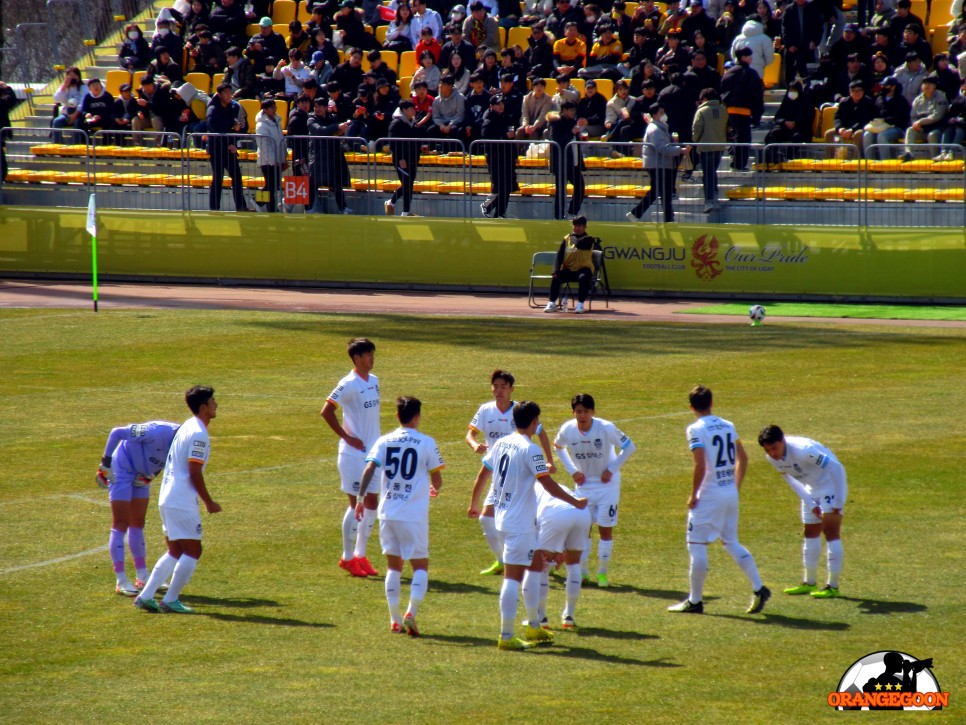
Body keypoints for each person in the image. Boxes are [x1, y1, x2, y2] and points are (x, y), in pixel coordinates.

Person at [468, 401, 587, 651]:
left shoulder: (501, 442)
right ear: (534, 422)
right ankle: (507, 635)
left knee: (535, 564)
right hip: (519, 523)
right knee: (512, 577)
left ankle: (533, 624)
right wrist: (575, 501)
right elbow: (548, 485)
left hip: (503, 517)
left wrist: (475, 502)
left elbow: (483, 474)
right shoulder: (530, 449)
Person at [668, 385, 770, 615]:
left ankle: (695, 601)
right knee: (731, 542)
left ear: (691, 407)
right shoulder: (728, 425)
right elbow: (743, 458)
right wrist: (735, 486)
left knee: (696, 544)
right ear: (712, 403)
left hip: (710, 495)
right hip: (729, 493)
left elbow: (700, 464)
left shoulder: (695, 429)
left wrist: (694, 494)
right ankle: (759, 587)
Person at [355, 396, 444, 636]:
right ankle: (411, 613)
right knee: (420, 566)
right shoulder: (427, 442)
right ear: (417, 417)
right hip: (413, 516)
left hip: (387, 513)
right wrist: (434, 486)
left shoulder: (383, 441)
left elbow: (369, 468)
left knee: (393, 567)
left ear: (397, 416)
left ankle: (394, 619)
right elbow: (437, 479)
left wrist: (361, 500)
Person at [134, 386, 221, 614]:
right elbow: (194, 471)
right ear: (203, 407)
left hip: (167, 496)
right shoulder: (199, 434)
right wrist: (208, 501)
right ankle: (170, 599)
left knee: (175, 550)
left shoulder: (187, 426)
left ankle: (146, 595)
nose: (216, 405)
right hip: (181, 500)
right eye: (213, 402)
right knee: (193, 550)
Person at [466, 370, 556, 575]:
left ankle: (540, 557)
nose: (498, 391)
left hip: (522, 475)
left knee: (531, 519)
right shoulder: (485, 410)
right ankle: (503, 560)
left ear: (511, 389)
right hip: (499, 476)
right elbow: (470, 433)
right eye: (495, 386)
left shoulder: (520, 410)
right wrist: (473, 444)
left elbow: (541, 433)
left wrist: (549, 461)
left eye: (503, 387)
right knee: (486, 518)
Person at [552, 394, 635, 589]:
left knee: (605, 529)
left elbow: (629, 446)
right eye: (579, 412)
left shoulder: (605, 427)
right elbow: (558, 447)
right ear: (573, 413)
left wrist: (611, 469)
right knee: (583, 529)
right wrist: (573, 471)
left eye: (586, 412)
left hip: (608, 486)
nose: (583, 416)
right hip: (584, 486)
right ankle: (583, 574)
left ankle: (603, 574)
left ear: (593, 412)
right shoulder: (567, 430)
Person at [758, 425, 847, 599]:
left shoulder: (804, 451)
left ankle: (832, 586)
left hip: (830, 485)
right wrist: (809, 502)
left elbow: (837, 468)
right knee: (810, 532)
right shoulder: (772, 458)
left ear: (782, 440)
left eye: (774, 448)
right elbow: (789, 479)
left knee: (831, 533)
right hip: (810, 488)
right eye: (768, 450)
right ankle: (809, 582)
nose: (772, 453)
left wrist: (839, 500)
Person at [320, 338, 382, 579]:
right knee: (355, 505)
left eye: (373, 354)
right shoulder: (348, 384)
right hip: (353, 455)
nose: (372, 359)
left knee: (372, 504)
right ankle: (347, 558)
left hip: (373, 454)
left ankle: (361, 554)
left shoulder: (374, 382)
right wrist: (346, 436)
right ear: (356, 359)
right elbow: (326, 410)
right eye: (368, 355)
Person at [96, 420, 181, 595]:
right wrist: (105, 463)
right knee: (121, 522)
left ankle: (142, 577)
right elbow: (117, 431)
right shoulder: (155, 431)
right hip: (121, 468)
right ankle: (121, 580)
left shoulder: (182, 445)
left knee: (137, 523)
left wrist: (151, 476)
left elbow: (166, 463)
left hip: (142, 474)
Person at [533, 476, 593, 629]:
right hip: (583, 513)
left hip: (556, 514)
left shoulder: (526, 489)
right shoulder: (558, 485)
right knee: (574, 565)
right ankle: (569, 616)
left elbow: (532, 526)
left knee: (542, 567)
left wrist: (554, 552)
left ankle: (541, 618)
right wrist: (562, 550)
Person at [626, 101, 687, 222]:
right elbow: (662, 148)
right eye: (661, 112)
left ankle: (637, 214)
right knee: (664, 192)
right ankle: (667, 219)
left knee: (659, 192)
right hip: (658, 165)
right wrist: (680, 150)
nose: (664, 114)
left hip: (659, 164)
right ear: (654, 115)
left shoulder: (659, 128)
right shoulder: (655, 130)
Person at [307, 97, 354, 213]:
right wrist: (337, 127)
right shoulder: (311, 120)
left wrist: (341, 130)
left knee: (337, 184)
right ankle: (308, 208)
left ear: (325, 108)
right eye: (315, 106)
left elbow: (335, 132)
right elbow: (320, 130)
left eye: (320, 106)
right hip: (318, 155)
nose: (317, 109)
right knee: (313, 184)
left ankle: (342, 208)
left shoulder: (332, 118)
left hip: (332, 155)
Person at [720, 46, 763, 171]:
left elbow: (723, 90)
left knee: (737, 136)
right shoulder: (751, 73)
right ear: (744, 57)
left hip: (729, 110)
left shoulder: (729, 73)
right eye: (749, 56)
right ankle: (739, 164)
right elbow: (757, 95)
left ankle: (735, 161)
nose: (751, 58)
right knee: (744, 138)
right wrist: (757, 115)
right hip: (744, 110)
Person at [543, 215, 598, 312]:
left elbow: (582, 245)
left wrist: (576, 240)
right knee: (556, 277)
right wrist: (555, 270)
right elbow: (559, 255)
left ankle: (580, 304)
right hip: (569, 269)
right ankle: (552, 303)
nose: (577, 228)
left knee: (583, 278)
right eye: (575, 225)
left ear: (585, 227)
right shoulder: (566, 238)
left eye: (580, 226)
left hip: (584, 269)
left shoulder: (589, 239)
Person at [206, 83, 247, 212]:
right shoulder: (213, 110)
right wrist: (229, 144)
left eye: (230, 93)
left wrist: (235, 130)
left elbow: (233, 126)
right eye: (226, 93)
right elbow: (215, 131)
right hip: (217, 150)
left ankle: (241, 207)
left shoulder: (231, 108)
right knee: (218, 179)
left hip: (229, 149)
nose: (229, 96)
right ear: (219, 94)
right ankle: (214, 208)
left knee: (237, 177)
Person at [547, 101, 587, 220]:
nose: (573, 113)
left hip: (573, 162)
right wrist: (572, 132)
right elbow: (558, 142)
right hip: (561, 163)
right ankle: (558, 216)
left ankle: (571, 212)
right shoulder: (556, 123)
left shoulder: (572, 122)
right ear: (563, 110)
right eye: (571, 110)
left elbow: (575, 140)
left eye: (574, 110)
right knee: (560, 191)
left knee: (580, 186)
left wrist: (579, 133)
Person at [479, 94, 517, 219]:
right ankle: (488, 206)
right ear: (491, 106)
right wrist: (505, 136)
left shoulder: (506, 118)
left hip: (507, 157)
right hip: (496, 159)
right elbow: (487, 140)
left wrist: (514, 155)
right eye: (498, 104)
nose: (501, 106)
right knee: (500, 186)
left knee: (508, 186)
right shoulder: (488, 121)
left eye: (502, 103)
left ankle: (500, 213)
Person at [692, 88, 728, 213]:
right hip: (719, 146)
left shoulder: (701, 111)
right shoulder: (723, 110)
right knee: (712, 172)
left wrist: (695, 141)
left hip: (706, 146)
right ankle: (715, 197)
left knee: (707, 174)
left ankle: (709, 200)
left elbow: (696, 129)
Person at [900, 74, 949, 159]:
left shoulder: (941, 97)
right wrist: (915, 125)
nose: (927, 86)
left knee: (932, 135)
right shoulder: (918, 100)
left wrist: (920, 122)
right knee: (910, 130)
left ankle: (936, 159)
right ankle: (909, 154)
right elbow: (913, 116)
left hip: (937, 128)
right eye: (925, 84)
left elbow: (938, 115)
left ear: (935, 86)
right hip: (921, 129)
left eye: (930, 84)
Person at [862, 76, 911, 159]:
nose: (884, 88)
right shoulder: (879, 99)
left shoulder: (901, 100)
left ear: (893, 87)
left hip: (896, 128)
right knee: (867, 134)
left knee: (882, 136)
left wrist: (886, 120)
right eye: (883, 86)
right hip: (880, 126)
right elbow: (873, 114)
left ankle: (885, 164)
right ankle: (868, 163)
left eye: (886, 86)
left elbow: (901, 118)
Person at [386, 100, 421, 216]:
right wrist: (400, 158)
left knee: (409, 184)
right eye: (411, 108)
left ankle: (394, 204)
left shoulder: (412, 123)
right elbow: (393, 143)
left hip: (412, 158)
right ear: (404, 110)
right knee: (407, 184)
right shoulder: (396, 123)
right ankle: (402, 210)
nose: (413, 111)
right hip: (402, 160)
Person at [255, 99, 287, 212]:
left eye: (275, 107)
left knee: (273, 185)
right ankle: (258, 201)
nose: (274, 110)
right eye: (272, 107)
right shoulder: (261, 126)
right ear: (265, 110)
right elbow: (264, 146)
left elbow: (281, 140)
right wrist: (273, 161)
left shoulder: (277, 121)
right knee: (271, 185)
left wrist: (283, 157)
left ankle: (270, 208)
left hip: (276, 159)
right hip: (267, 161)